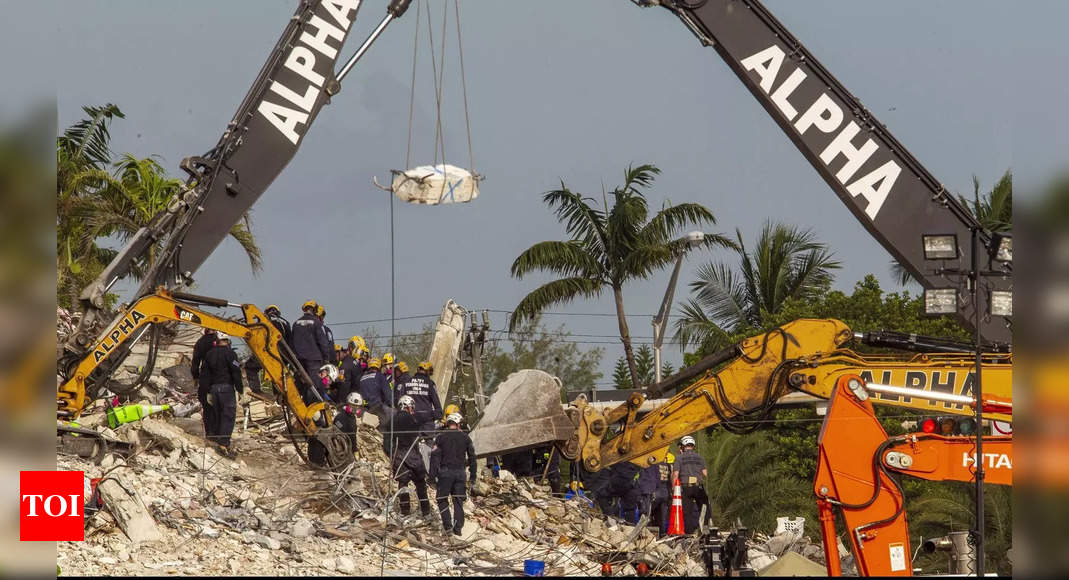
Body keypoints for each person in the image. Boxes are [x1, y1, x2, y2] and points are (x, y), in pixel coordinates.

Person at [387, 395, 435, 520]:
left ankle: (405, 511)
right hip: (413, 456)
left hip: (398, 456)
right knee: (420, 484)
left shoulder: (391, 421)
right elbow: (421, 431)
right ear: (407, 406)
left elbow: (386, 443)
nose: (412, 410)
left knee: (403, 485)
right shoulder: (412, 419)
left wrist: (392, 455)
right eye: (411, 408)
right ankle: (426, 512)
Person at [429, 411, 477, 537]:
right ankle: (458, 528)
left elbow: (434, 458)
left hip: (445, 473)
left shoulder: (440, 437)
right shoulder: (466, 438)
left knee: (442, 499)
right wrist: (473, 476)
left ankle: (448, 527)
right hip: (460, 473)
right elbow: (472, 457)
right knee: (458, 500)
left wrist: (431, 478)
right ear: (458, 424)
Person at [197, 332, 244, 457]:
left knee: (216, 415)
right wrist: (240, 389)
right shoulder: (231, 354)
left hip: (213, 389)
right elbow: (236, 372)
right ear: (227, 341)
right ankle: (223, 444)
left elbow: (205, 375)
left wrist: (206, 391)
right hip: (226, 389)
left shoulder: (209, 354)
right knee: (227, 416)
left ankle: (215, 439)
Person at [292, 300, 331, 398]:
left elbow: (291, 342)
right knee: (315, 385)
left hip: (299, 361)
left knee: (301, 384)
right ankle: (316, 407)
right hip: (313, 360)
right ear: (315, 310)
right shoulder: (317, 323)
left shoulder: (296, 323)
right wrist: (326, 359)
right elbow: (323, 342)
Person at [671, 435, 709, 534]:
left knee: (687, 513)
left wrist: (673, 488)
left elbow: (675, 474)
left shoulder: (679, 458)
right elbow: (705, 473)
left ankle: (689, 534)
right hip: (698, 487)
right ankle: (705, 531)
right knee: (705, 509)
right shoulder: (699, 457)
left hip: (686, 487)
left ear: (683, 446)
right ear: (693, 446)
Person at [399, 361, 443, 433]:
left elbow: (400, 401)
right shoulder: (430, 383)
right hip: (426, 423)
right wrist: (436, 414)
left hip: (409, 420)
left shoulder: (406, 381)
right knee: (428, 442)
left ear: (418, 369)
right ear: (428, 372)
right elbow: (437, 406)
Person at [638, 451, 674, 536]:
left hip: (652, 492)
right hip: (665, 493)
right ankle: (661, 535)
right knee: (661, 518)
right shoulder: (667, 465)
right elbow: (670, 479)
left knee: (646, 515)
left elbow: (651, 479)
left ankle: (646, 535)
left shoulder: (649, 463)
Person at [191, 329, 218, 435]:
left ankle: (209, 433)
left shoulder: (200, 342)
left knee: (207, 407)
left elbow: (195, 362)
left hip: (205, 378)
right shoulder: (219, 342)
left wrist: (195, 377)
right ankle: (218, 433)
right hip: (219, 379)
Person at [338, 337, 364, 404]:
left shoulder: (347, 363)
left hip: (349, 400)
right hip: (353, 399)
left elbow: (344, 386)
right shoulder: (355, 363)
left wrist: (341, 403)